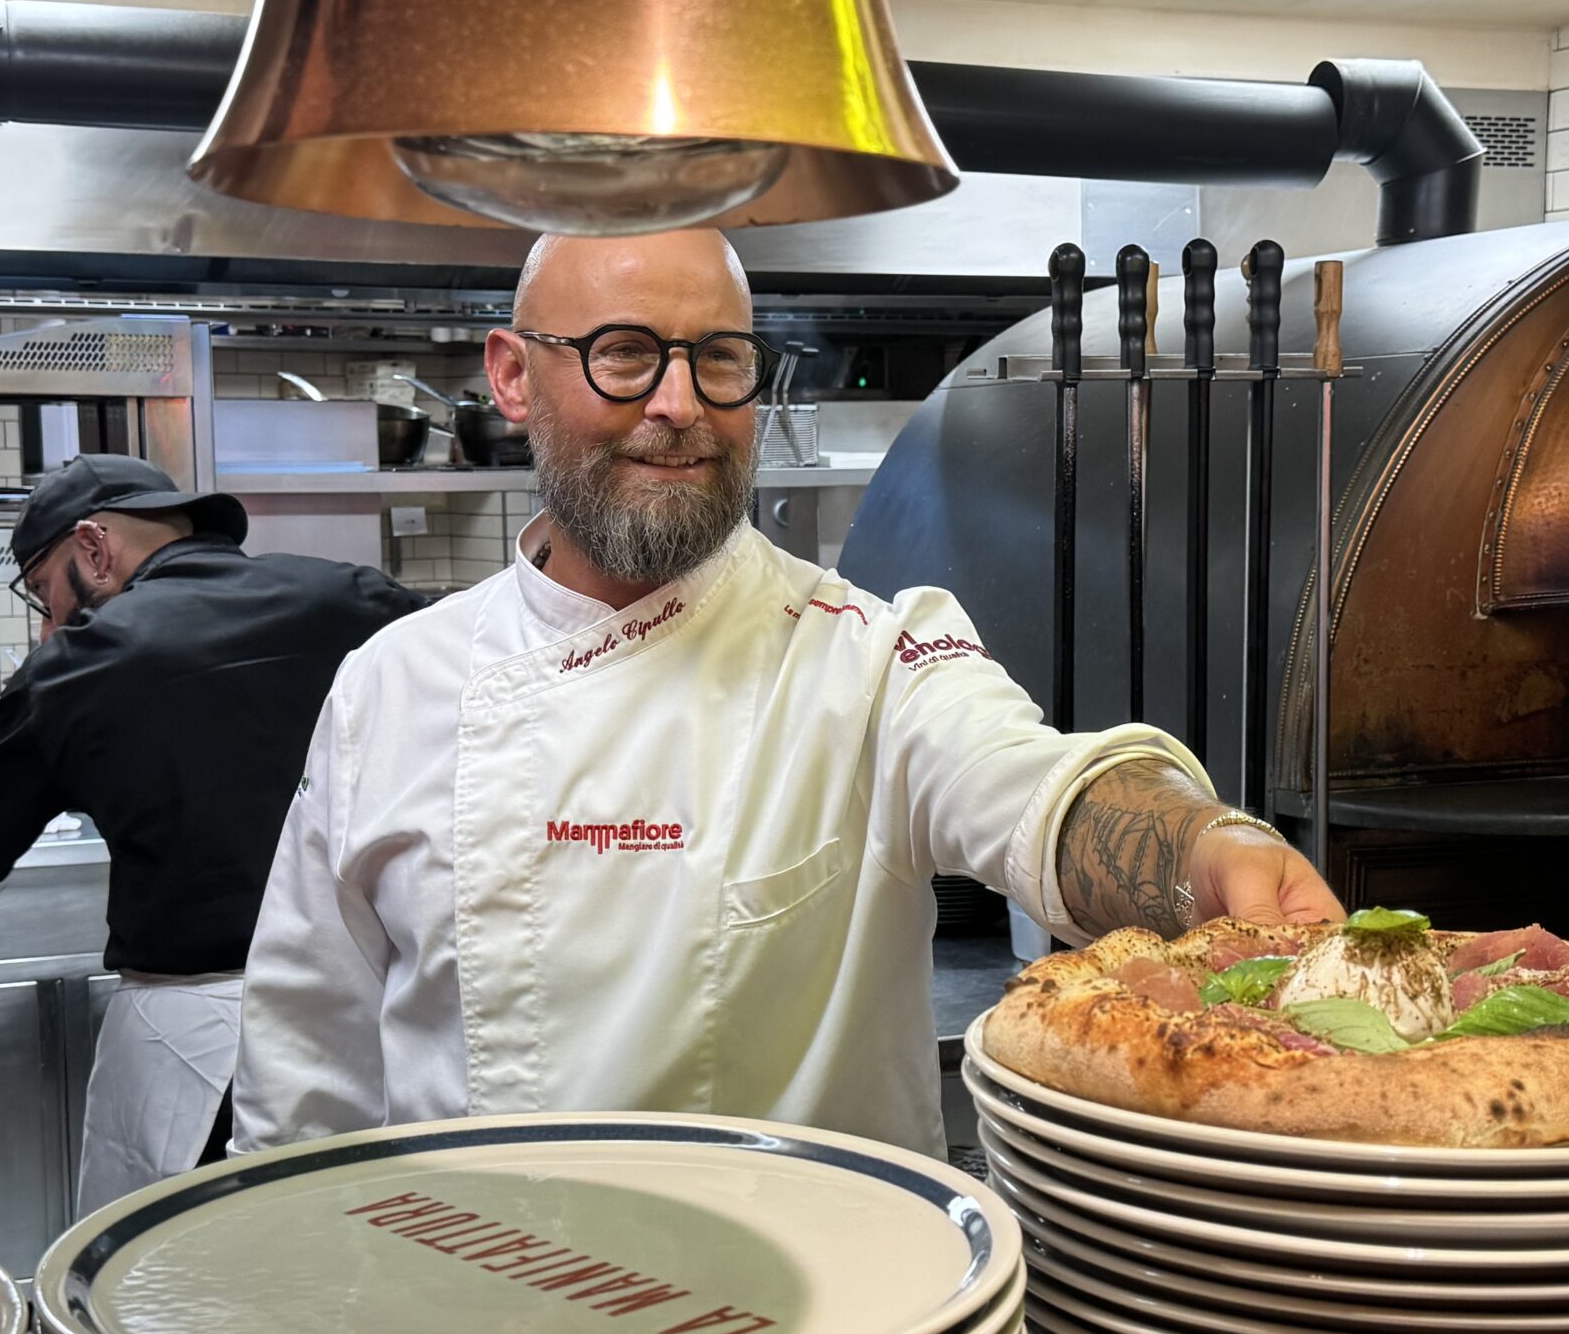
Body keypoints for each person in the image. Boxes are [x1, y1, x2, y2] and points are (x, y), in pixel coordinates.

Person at [231, 230, 1344, 1159]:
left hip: (817, 1332)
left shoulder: (865, 655)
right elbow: (306, 1068)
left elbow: (1025, 784)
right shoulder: (391, 685)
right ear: (513, 377)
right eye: (625, 355)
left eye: (720, 359)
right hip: (474, 1309)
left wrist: (1203, 851)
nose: (680, 403)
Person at [0, 455, 425, 1214]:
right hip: (382, 1022)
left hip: (201, 1046)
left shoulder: (83, 662)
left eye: (43, 591)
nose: (48, 620)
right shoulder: (361, 598)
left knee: (182, 1268)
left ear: (93, 549)